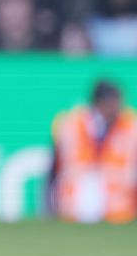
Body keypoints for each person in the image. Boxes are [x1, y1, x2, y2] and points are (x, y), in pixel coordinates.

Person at [49, 79, 137, 223]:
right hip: (75, 209)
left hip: (120, 211)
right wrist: (50, 210)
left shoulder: (132, 126)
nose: (113, 107)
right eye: (109, 102)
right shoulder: (70, 124)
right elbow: (53, 171)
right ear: (97, 103)